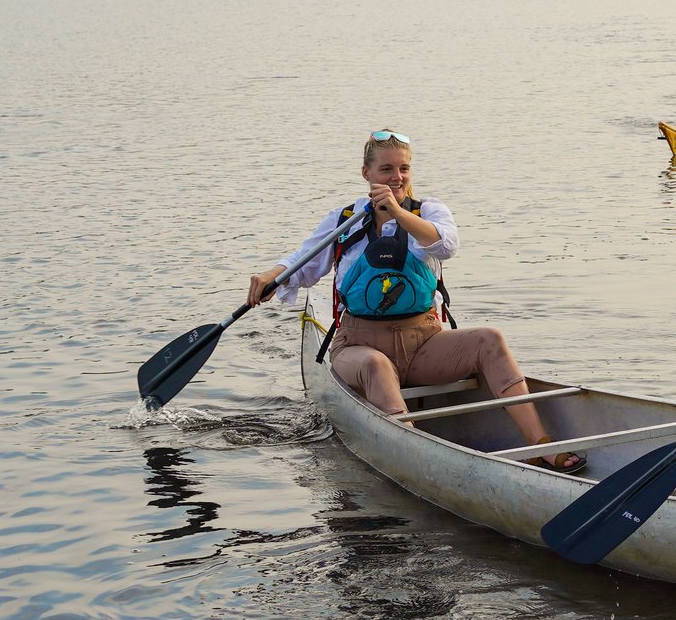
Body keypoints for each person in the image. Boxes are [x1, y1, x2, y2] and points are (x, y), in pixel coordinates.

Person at [249, 131, 588, 471]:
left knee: (491, 339)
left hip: (425, 343)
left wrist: (397, 212)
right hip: (358, 345)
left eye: (404, 168)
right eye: (386, 169)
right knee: (376, 366)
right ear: (366, 173)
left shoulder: (429, 211)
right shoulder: (345, 219)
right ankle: (418, 459)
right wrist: (271, 276)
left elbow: (445, 245)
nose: (396, 177)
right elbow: (305, 259)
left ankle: (541, 444)